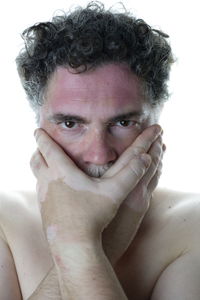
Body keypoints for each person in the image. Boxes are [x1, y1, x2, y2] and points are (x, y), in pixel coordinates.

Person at [0, 2, 200, 299]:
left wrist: (75, 244)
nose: (98, 154)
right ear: (37, 122)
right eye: (70, 123)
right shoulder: (5, 220)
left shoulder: (193, 225)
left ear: (156, 122)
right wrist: (98, 241)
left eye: (123, 122)